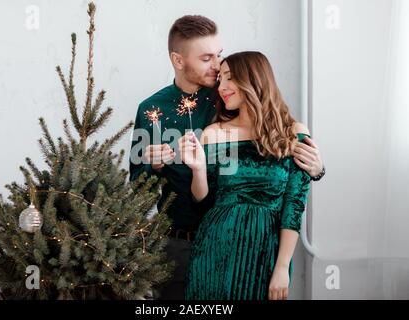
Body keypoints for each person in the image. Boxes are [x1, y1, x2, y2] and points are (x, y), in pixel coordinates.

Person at [129, 16, 324, 300]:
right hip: (179, 244)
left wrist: (316, 168)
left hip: (247, 242)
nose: (217, 66)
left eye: (219, 55)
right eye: (207, 58)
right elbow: (136, 186)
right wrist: (153, 165)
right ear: (178, 60)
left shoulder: (229, 98)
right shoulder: (152, 109)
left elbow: (272, 148)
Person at [180, 51, 312, 300]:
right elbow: (203, 201)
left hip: (266, 250)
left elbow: (294, 206)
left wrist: (282, 266)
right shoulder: (214, 132)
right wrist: (198, 169)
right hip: (214, 247)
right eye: (220, 79)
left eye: (229, 78)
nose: (222, 87)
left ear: (253, 80)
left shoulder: (294, 133)